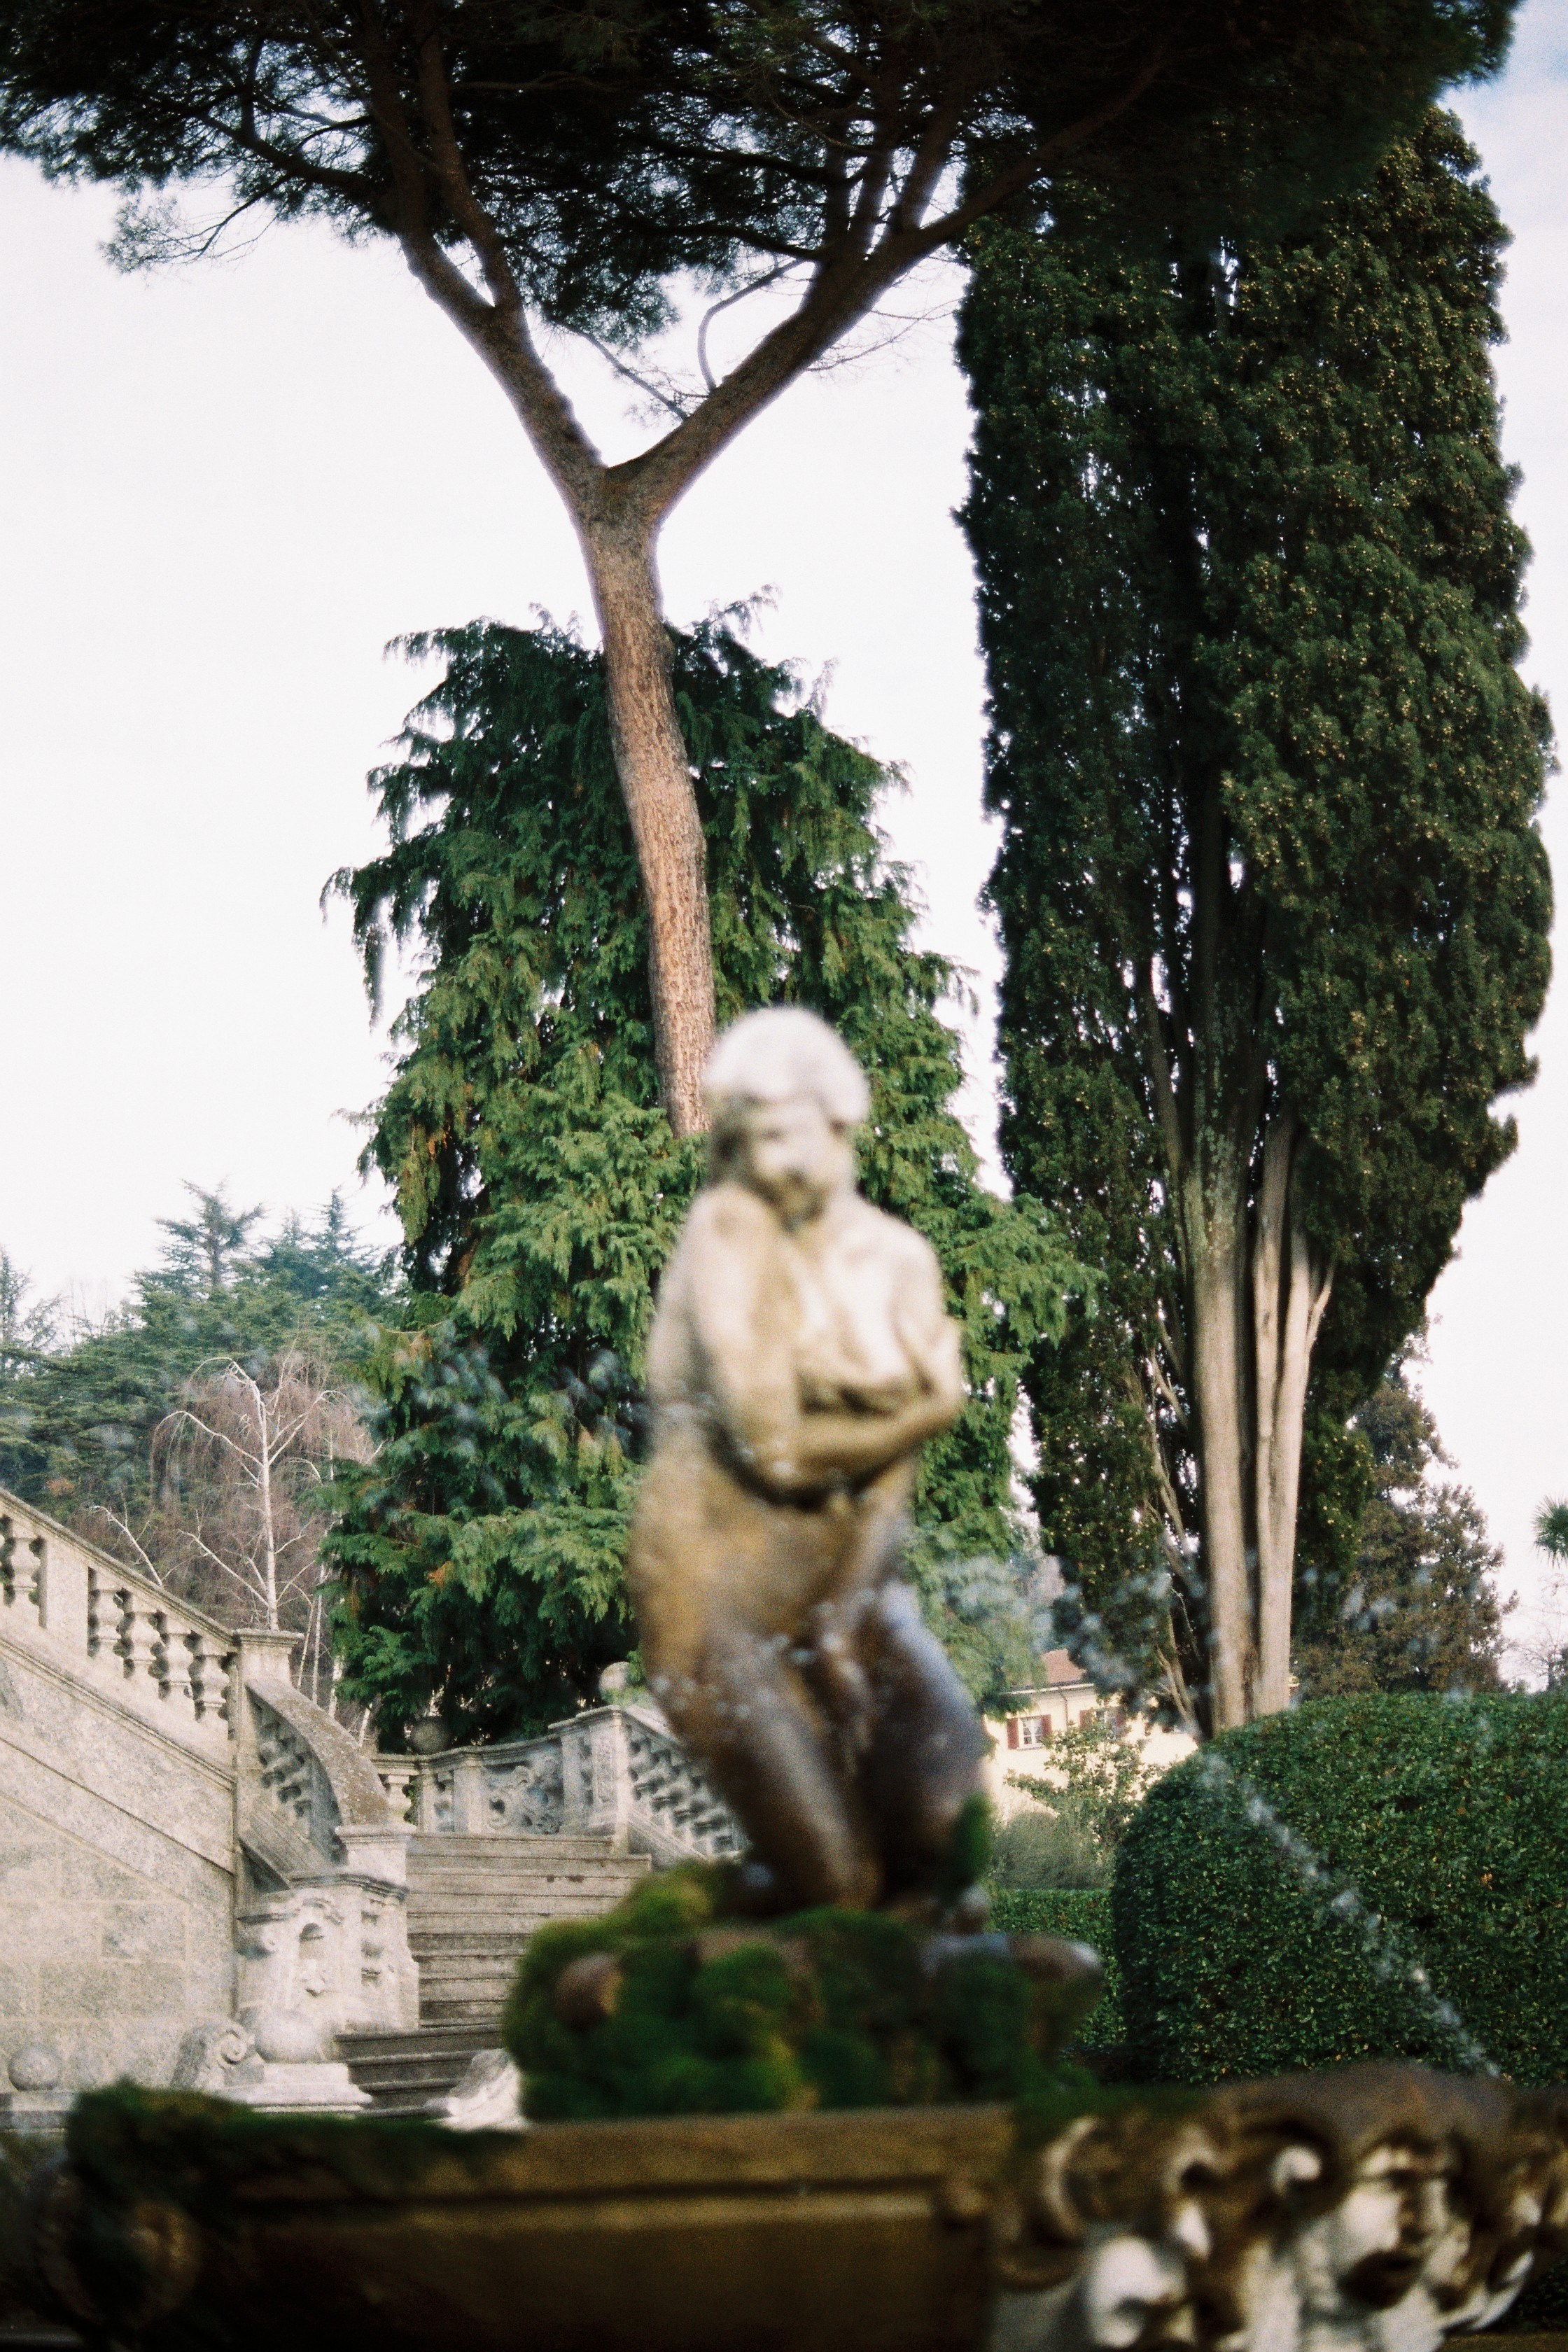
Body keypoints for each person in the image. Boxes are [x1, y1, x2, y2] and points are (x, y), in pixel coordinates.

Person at [628, 1006, 987, 1912]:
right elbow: (778, 1453)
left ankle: (781, 1939)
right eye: (749, 1142)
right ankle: (702, 1946)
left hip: (844, 1589)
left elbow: (891, 1476)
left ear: (839, 1118)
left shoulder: (899, 1259)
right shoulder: (729, 1232)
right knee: (841, 1882)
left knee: (945, 1829)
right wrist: (929, 1410)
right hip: (717, 1597)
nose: (771, 1162)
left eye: (786, 1134)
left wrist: (839, 1620)